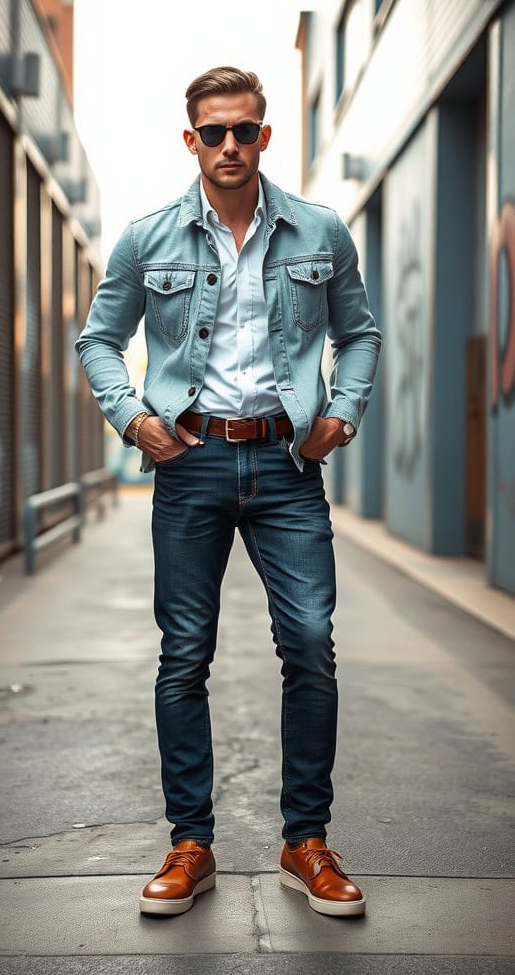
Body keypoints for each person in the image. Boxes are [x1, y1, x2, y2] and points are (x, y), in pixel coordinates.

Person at [76, 66, 381, 918]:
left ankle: (305, 842)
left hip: (288, 467)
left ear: (265, 136)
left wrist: (342, 416)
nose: (230, 146)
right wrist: (133, 418)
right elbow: (99, 340)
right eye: (213, 133)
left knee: (311, 643)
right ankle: (190, 844)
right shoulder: (149, 238)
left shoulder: (319, 229)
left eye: (244, 130)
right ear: (191, 141)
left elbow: (359, 335)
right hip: (192, 461)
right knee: (184, 656)